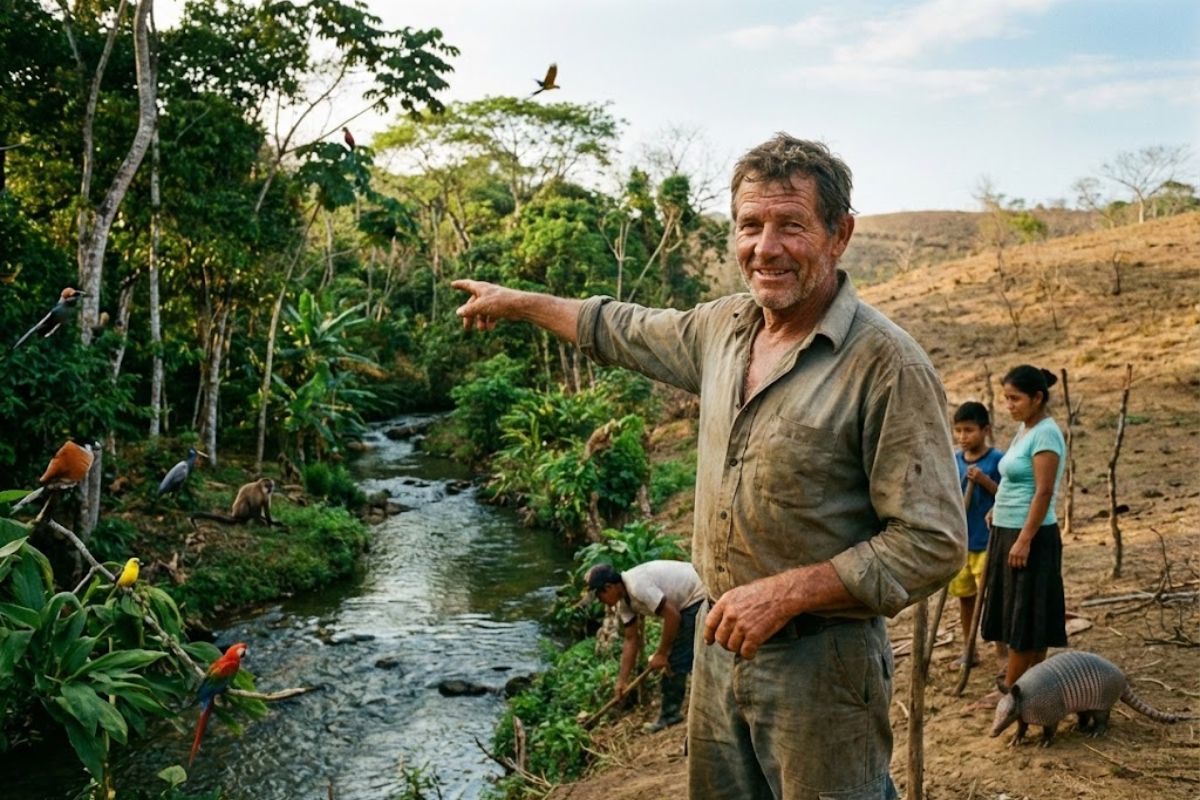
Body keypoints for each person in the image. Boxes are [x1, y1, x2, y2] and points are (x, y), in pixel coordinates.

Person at [453, 133, 965, 800]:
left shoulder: (884, 364)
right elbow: (619, 327)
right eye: (750, 225)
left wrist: (785, 593)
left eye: (791, 225)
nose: (766, 247)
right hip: (719, 651)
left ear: (840, 234)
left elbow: (932, 542)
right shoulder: (723, 328)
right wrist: (518, 302)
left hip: (822, 667)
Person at [981, 365, 1068, 696]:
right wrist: (996, 508)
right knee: (1018, 609)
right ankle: (1030, 686)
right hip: (1009, 530)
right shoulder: (1026, 430)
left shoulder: (1046, 434)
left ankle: (1010, 690)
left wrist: (1024, 539)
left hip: (1030, 535)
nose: (1009, 405)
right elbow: (1017, 482)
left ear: (1037, 397)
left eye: (1015, 398)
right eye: (1006, 398)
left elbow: (1043, 491)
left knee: (1025, 614)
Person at [586, 560, 707, 731]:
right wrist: (622, 681)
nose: (601, 602)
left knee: (675, 659)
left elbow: (673, 616)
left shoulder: (637, 586)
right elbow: (631, 639)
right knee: (682, 654)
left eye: (599, 597)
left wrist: (662, 653)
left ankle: (670, 715)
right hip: (684, 603)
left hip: (698, 594)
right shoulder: (625, 603)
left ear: (609, 587)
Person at [949, 402, 1005, 671]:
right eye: (958, 431)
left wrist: (984, 481)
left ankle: (1001, 651)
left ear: (985, 430)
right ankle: (969, 648)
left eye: (969, 430)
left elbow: (1007, 496)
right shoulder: (954, 462)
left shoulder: (997, 461)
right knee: (966, 597)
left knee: (991, 597)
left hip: (987, 542)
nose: (962, 437)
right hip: (961, 543)